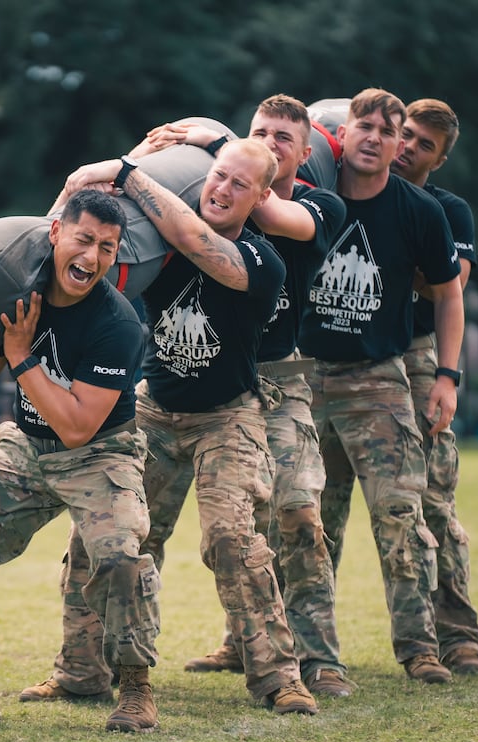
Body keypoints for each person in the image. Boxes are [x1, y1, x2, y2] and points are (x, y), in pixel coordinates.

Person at [29, 138, 320, 716]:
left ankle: (280, 678)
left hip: (227, 415)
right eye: (219, 175)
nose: (223, 188)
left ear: (262, 198)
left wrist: (126, 169)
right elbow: (73, 245)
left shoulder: (264, 260)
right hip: (154, 409)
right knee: (99, 534)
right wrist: (108, 176)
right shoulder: (157, 243)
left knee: (232, 541)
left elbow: (194, 239)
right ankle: (81, 671)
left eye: (240, 184)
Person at [0, 189, 161, 733]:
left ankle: (136, 689)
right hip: (26, 445)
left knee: (119, 558)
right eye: (84, 239)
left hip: (98, 453)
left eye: (107, 247)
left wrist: (21, 356)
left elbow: (77, 426)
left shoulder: (117, 323)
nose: (92, 257)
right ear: (56, 233)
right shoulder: (19, 287)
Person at [144, 96, 353, 697]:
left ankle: (319, 660)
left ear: (304, 153)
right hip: (198, 379)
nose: (269, 142)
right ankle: (233, 643)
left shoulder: (316, 204)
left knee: (298, 513)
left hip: (278, 380)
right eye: (259, 132)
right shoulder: (219, 189)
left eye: (283, 138)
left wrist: (213, 141)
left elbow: (271, 212)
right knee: (184, 524)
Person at [298, 88, 465, 683]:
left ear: (398, 147)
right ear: (341, 135)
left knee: (401, 516)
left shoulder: (420, 210)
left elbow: (449, 295)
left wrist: (447, 376)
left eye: (387, 131)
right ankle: (315, 660)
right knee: (306, 524)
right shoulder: (308, 196)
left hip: (378, 380)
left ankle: (420, 650)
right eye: (363, 126)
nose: (374, 137)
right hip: (304, 377)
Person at [390, 98, 478, 675]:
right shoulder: (346, 189)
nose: (408, 147)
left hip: (417, 355)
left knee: (432, 502)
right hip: (336, 357)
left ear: (440, 159)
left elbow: (448, 285)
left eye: (424, 144)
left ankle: (457, 636)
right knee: (300, 504)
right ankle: (263, 643)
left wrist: (448, 378)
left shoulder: (448, 211)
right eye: (405, 134)